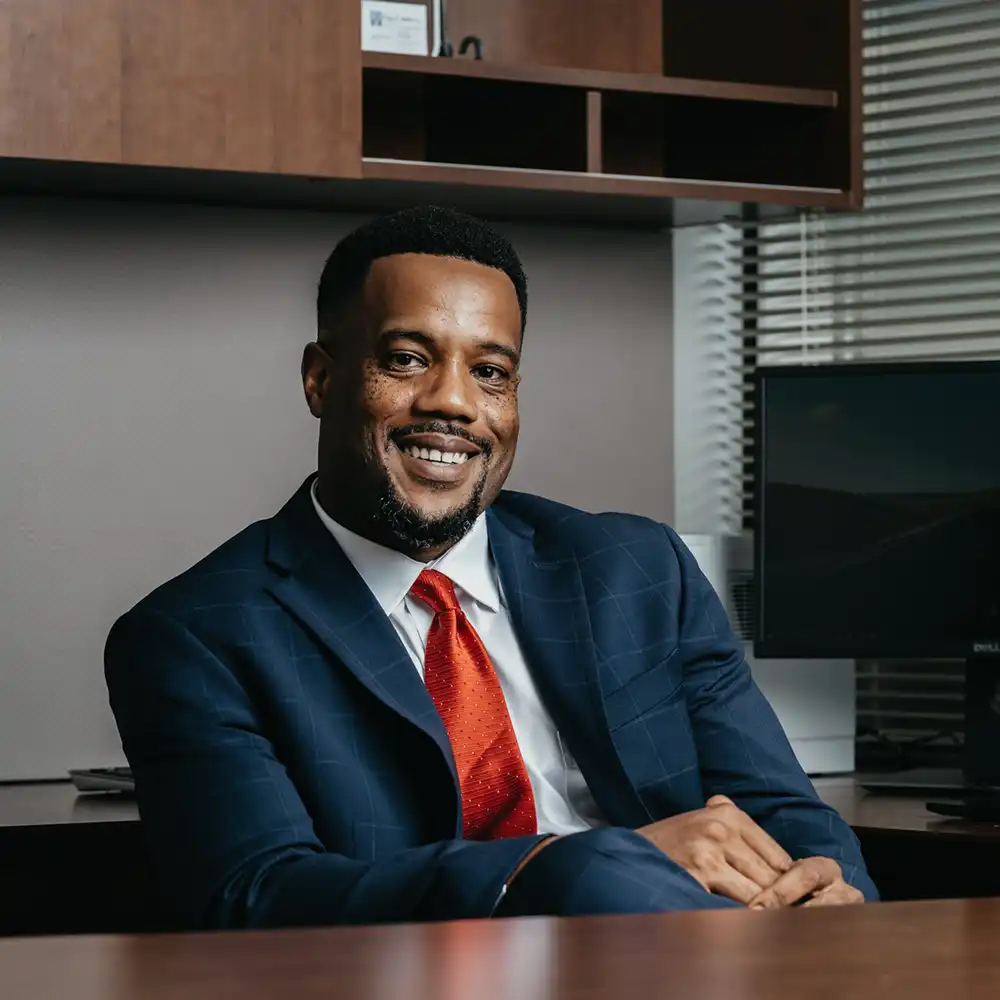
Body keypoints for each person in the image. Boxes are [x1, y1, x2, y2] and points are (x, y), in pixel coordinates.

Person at [105, 206, 877, 930]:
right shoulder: (195, 636)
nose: (454, 404)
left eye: (491, 373)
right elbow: (257, 895)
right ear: (321, 379)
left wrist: (833, 896)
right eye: (407, 360)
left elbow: (787, 813)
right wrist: (568, 864)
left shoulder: (639, 571)